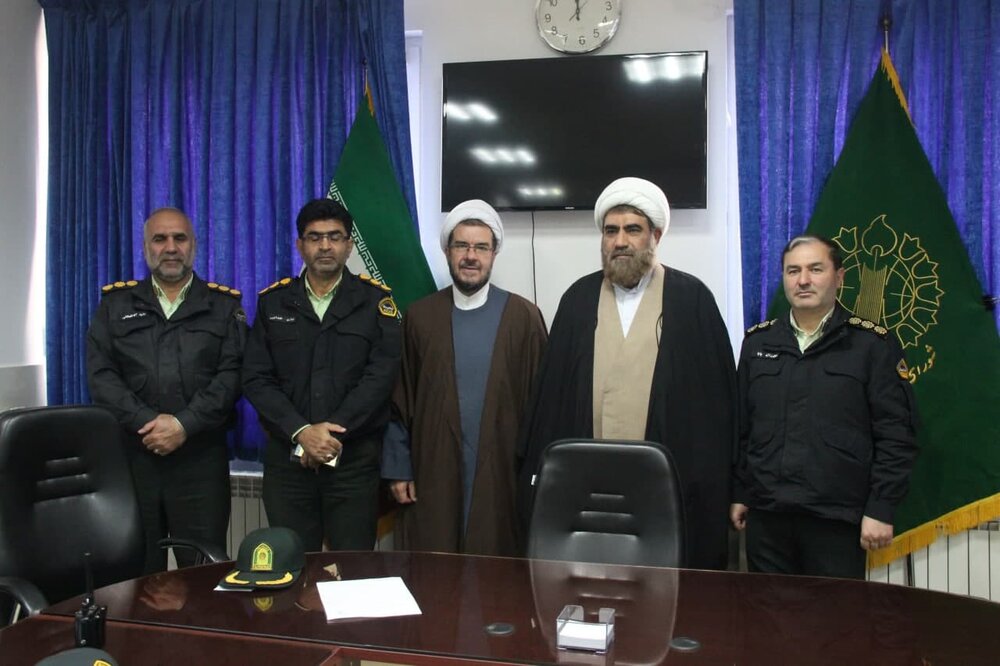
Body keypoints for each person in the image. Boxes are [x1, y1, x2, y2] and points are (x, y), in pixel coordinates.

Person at [518, 177, 736, 570]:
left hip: (666, 492)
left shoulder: (692, 300)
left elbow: (717, 409)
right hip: (587, 491)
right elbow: (550, 404)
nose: (620, 241)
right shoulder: (577, 300)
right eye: (611, 231)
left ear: (655, 236)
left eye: (633, 230)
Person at [730, 235, 918, 578]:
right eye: (793, 271)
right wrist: (740, 493)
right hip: (768, 515)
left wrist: (881, 507)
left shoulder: (871, 345)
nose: (803, 280)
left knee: (835, 612)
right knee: (767, 611)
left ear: (839, 277)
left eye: (815, 269)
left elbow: (896, 435)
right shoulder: (758, 343)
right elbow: (742, 427)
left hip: (836, 518)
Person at [382, 200, 547, 556]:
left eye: (481, 247)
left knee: (496, 566)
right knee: (435, 568)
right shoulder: (420, 317)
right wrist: (399, 469)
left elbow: (543, 409)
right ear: (447, 251)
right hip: (432, 470)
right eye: (462, 245)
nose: (471, 256)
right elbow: (399, 400)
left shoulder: (524, 318)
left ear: (494, 254)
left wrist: (538, 477)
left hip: (503, 474)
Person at [86, 207, 246, 573]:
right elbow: (102, 377)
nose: (170, 247)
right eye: (160, 239)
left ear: (194, 246)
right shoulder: (115, 306)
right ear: (145, 248)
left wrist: (184, 424)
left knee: (203, 571)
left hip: (200, 460)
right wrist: (148, 422)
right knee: (137, 571)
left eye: (180, 238)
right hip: (133, 458)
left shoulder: (224, 307)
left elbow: (232, 376)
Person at [242, 198, 401, 552]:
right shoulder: (273, 302)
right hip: (288, 465)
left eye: (334, 237)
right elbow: (256, 378)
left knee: (353, 567)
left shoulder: (376, 304)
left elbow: (380, 378)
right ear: (300, 245)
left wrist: (327, 437)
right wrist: (302, 432)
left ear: (349, 245)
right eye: (315, 237)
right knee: (291, 563)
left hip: (352, 464)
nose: (325, 246)